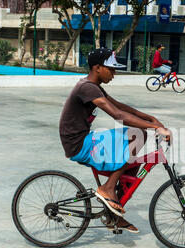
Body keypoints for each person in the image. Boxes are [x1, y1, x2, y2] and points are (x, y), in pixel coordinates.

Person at [59, 48, 171, 233]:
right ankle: (108, 188)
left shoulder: (93, 86)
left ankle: (114, 214)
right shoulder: (86, 87)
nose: (114, 73)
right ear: (97, 68)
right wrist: (154, 128)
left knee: (133, 164)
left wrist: (150, 118)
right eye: (111, 69)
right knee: (138, 135)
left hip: (83, 139)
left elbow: (121, 106)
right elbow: (118, 115)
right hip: (79, 144)